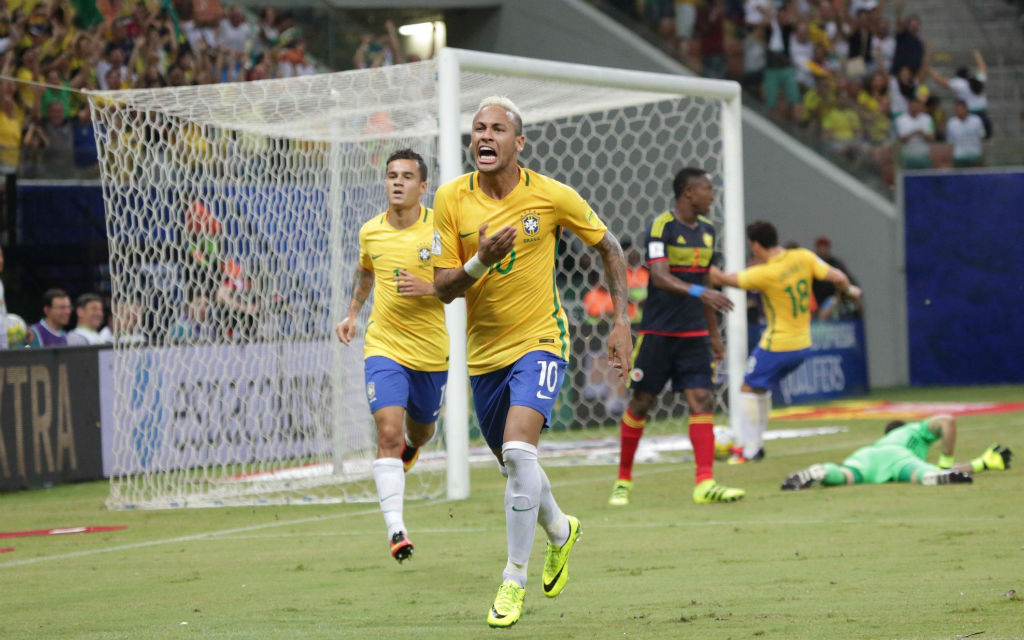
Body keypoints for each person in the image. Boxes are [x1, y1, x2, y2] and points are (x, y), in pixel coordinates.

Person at [432, 96, 632, 628]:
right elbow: (443, 289)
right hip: (484, 355)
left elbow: (609, 246)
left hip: (541, 339)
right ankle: (562, 531)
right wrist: (480, 260)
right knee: (514, 465)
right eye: (478, 128)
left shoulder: (550, 196)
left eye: (497, 129)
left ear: (518, 143)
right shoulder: (451, 199)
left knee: (521, 452)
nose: (484, 136)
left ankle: (512, 580)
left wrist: (621, 321)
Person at [335, 148, 448, 565]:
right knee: (387, 433)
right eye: (391, 176)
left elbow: (464, 282)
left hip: (431, 352)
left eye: (406, 176)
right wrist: (351, 315)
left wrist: (430, 288)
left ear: (423, 186)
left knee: (420, 435)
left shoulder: (442, 227)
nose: (397, 182)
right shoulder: (371, 231)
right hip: (384, 346)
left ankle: (412, 450)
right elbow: (366, 269)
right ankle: (396, 530)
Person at [607, 168, 743, 508]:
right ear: (688, 193)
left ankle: (705, 482)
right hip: (659, 331)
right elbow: (659, 275)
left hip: (695, 333)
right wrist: (701, 293)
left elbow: (707, 287)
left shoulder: (709, 232)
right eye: (707, 190)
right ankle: (623, 480)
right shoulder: (661, 227)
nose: (712, 196)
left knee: (702, 400)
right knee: (642, 402)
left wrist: (714, 335)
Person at [709, 221, 861, 463]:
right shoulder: (802, 257)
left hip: (778, 343)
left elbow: (724, 280)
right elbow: (838, 276)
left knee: (747, 388)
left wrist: (702, 265)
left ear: (756, 245)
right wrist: (850, 291)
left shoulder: (766, 273)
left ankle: (750, 449)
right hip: (803, 343)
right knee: (760, 388)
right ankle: (755, 445)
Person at [781, 414, 1012, 490]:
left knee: (846, 475)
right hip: (897, 458)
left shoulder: (881, 442)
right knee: (918, 471)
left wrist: (981, 462)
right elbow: (948, 421)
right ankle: (933, 478)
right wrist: (945, 463)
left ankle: (820, 471)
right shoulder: (915, 431)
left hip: (866, 456)